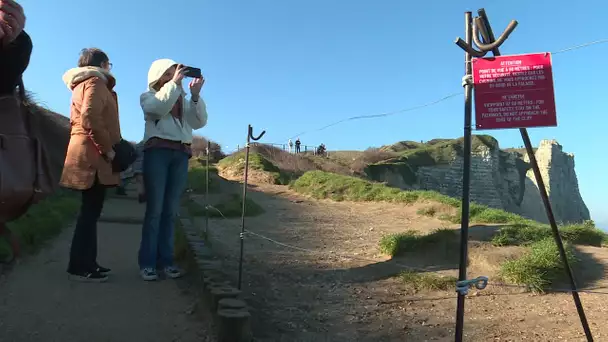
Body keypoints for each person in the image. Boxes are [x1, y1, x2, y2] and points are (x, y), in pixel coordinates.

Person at [138, 59, 207, 281]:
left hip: (181, 153)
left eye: (175, 73)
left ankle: (166, 262)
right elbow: (158, 108)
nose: (173, 77)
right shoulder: (148, 96)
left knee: (171, 211)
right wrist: (174, 85)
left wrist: (195, 96)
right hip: (157, 152)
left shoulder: (182, 99)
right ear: (157, 76)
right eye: (168, 74)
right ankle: (148, 263)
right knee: (155, 210)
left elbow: (199, 122)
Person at [60, 48, 122, 282]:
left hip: (86, 151)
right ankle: (80, 265)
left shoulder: (83, 83)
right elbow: (90, 117)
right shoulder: (95, 82)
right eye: (109, 64)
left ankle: (87, 261)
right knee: (90, 212)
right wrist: (108, 149)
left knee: (91, 211)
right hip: (93, 155)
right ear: (103, 64)